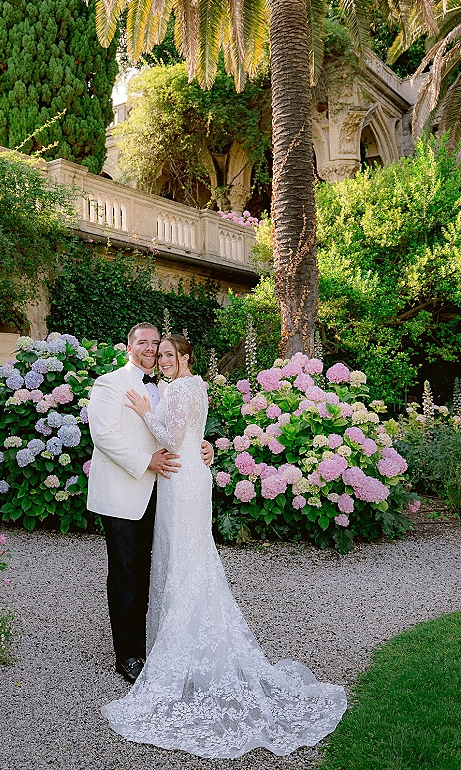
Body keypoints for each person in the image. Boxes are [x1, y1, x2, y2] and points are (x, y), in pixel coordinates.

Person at [101, 334, 347, 759]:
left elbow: (173, 436)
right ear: (132, 348)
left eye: (164, 353)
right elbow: (124, 435)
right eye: (153, 352)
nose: (158, 358)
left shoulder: (176, 387)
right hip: (175, 480)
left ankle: (181, 650)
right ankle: (157, 648)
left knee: (183, 562)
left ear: (184, 358)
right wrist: (199, 444)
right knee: (176, 562)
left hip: (179, 480)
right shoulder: (143, 385)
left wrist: (151, 415)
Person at [87, 322, 213, 686]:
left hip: (164, 492)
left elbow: (182, 429)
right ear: (129, 347)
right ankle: (128, 655)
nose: (150, 349)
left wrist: (204, 447)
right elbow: (105, 435)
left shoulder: (164, 386)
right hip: (124, 492)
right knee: (126, 573)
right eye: (143, 343)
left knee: (154, 569)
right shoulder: (109, 384)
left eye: (156, 344)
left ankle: (156, 641)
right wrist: (148, 462)